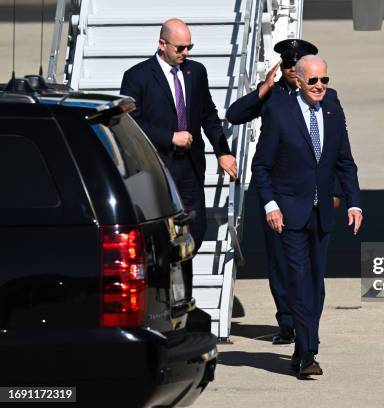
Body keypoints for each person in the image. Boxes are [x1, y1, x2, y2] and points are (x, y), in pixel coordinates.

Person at [251, 55, 363, 378]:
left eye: (324, 80)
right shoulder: (279, 112)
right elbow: (261, 166)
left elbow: (345, 161)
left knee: (316, 284)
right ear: (298, 81)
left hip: (322, 212)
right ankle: (310, 350)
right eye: (313, 81)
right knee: (298, 279)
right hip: (289, 213)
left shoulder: (332, 110)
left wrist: (354, 202)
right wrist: (270, 205)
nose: (319, 87)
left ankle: (301, 350)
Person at [226, 39, 343, 345]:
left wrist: (337, 191)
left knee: (310, 268)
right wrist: (262, 89)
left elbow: (337, 149)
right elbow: (235, 115)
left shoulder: (325, 97)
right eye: (288, 66)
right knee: (279, 263)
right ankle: (287, 322)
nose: (292, 71)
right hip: (279, 194)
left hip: (313, 195)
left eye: (296, 65)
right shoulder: (274, 97)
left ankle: (306, 327)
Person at [120, 18, 237, 299]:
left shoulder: (196, 73)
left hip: (190, 167)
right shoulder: (137, 76)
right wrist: (169, 136)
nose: (186, 53)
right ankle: (168, 294)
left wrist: (222, 151)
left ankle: (180, 291)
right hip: (157, 168)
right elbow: (130, 123)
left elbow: (208, 114)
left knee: (196, 228)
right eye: (180, 48)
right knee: (163, 234)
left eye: (189, 47)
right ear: (162, 44)